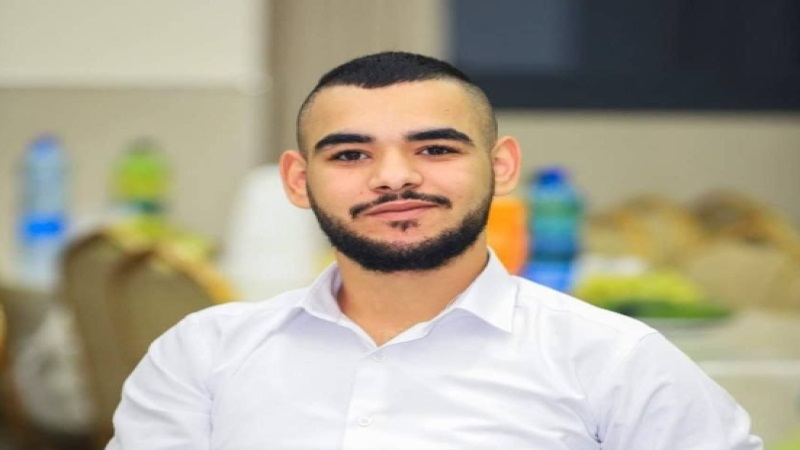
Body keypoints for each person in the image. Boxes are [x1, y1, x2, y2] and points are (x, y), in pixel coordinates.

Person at [106, 51, 762, 450]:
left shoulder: (614, 360)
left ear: (502, 167)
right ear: (298, 182)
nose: (394, 178)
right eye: (351, 154)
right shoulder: (203, 355)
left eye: (436, 148)